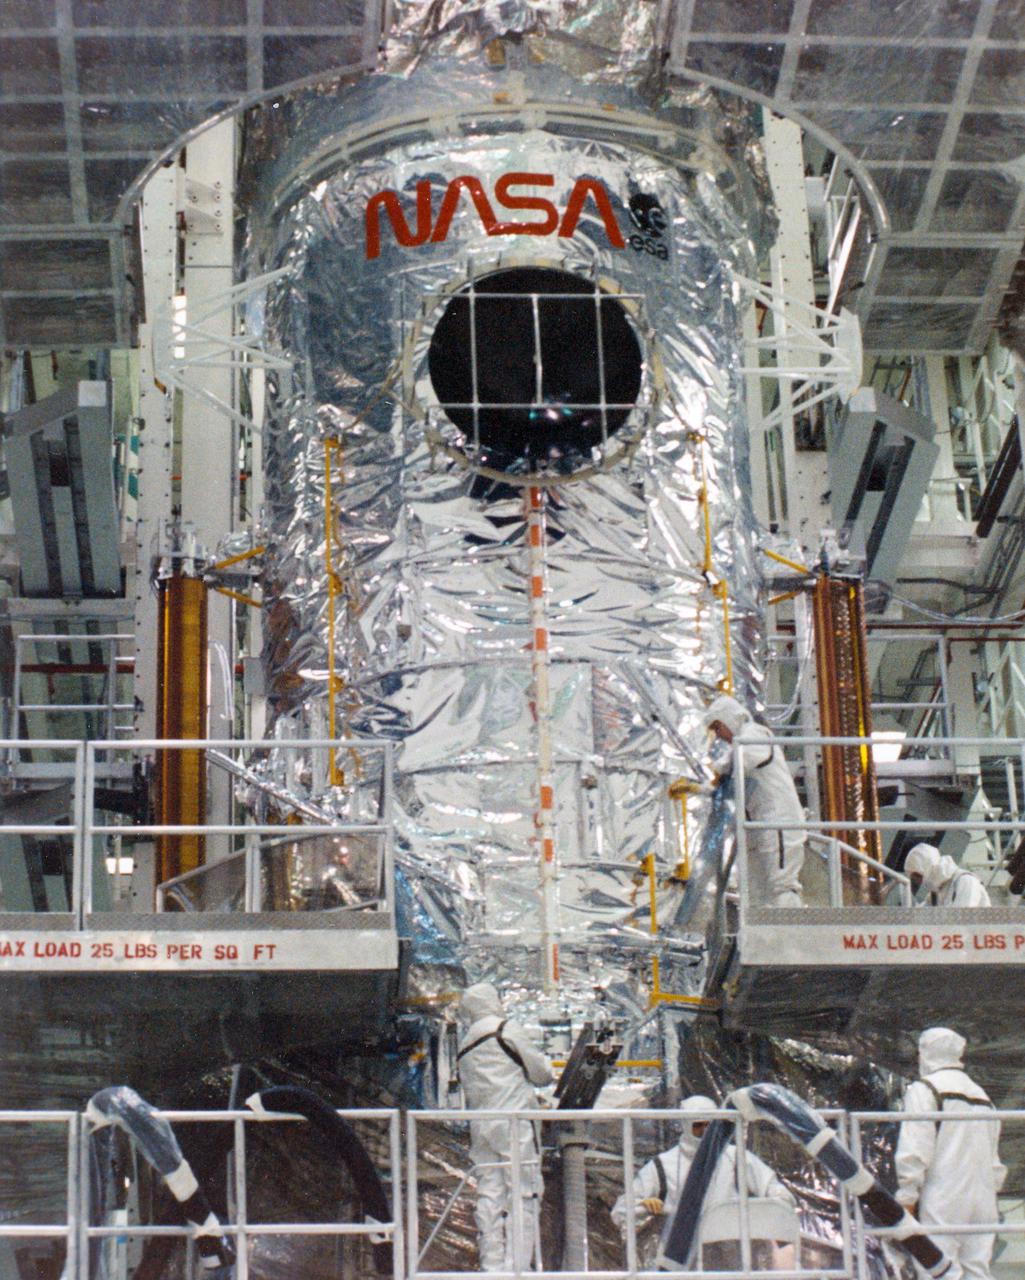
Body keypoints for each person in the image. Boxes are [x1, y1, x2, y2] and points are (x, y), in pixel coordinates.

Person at [611, 1095, 796, 1269]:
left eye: (710, 1126)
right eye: (698, 1126)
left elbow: (779, 1195)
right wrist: (644, 1206)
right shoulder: (663, 1165)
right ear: (685, 1125)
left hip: (733, 1254)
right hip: (682, 1254)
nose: (705, 1132)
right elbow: (621, 1211)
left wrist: (760, 1210)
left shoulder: (737, 1158)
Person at [457, 982, 554, 1273]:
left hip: (482, 1128)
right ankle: (517, 1270)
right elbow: (542, 1074)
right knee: (524, 1192)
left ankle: (493, 1268)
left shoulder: (465, 1044)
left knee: (490, 1194)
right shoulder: (505, 1029)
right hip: (513, 1123)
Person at [896, 1027, 1007, 1280]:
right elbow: (994, 1157)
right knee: (978, 1270)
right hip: (983, 1197)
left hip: (944, 1196)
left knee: (940, 1269)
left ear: (925, 1053)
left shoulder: (925, 1090)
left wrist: (907, 1196)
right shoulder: (983, 1097)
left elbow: (915, 1150)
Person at [703, 694, 805, 907]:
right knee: (761, 890)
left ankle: (791, 936)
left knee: (782, 884)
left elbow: (739, 762)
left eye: (719, 728)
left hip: (780, 823)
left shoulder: (755, 735)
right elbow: (730, 767)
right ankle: (770, 936)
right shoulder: (742, 743)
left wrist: (713, 772)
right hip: (763, 824)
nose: (719, 736)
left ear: (731, 719)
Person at [904, 843, 991, 907]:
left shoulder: (965, 881)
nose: (920, 882)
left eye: (918, 876)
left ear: (929, 867)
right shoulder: (935, 895)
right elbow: (920, 917)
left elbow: (963, 920)